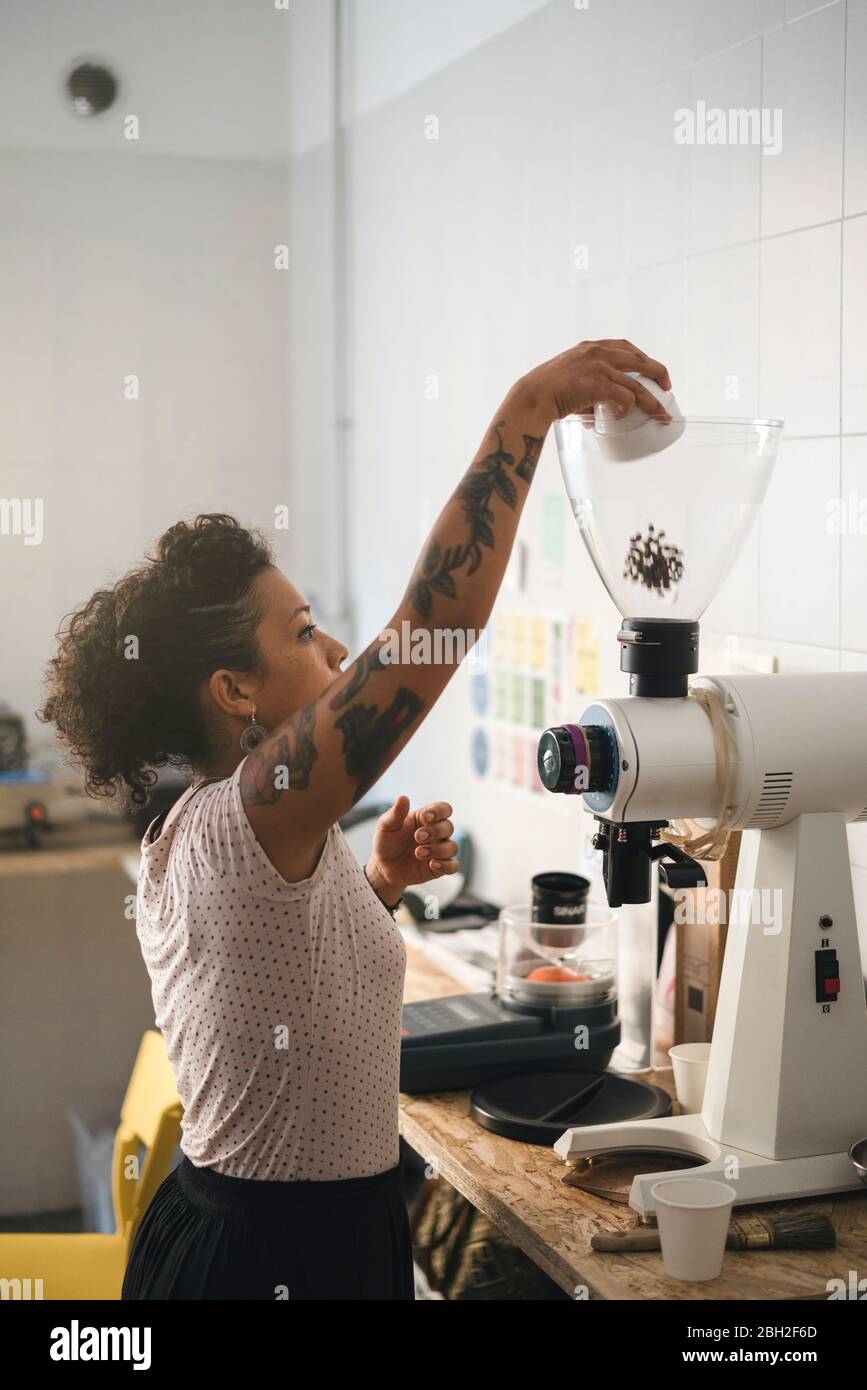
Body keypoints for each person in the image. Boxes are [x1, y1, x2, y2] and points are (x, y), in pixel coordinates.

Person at [40, 339, 671, 1299]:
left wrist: (375, 887)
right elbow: (429, 625)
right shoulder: (240, 823)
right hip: (266, 1259)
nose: (335, 647)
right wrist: (527, 408)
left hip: (308, 1230)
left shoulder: (246, 833)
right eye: (300, 632)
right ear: (233, 690)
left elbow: (276, 988)